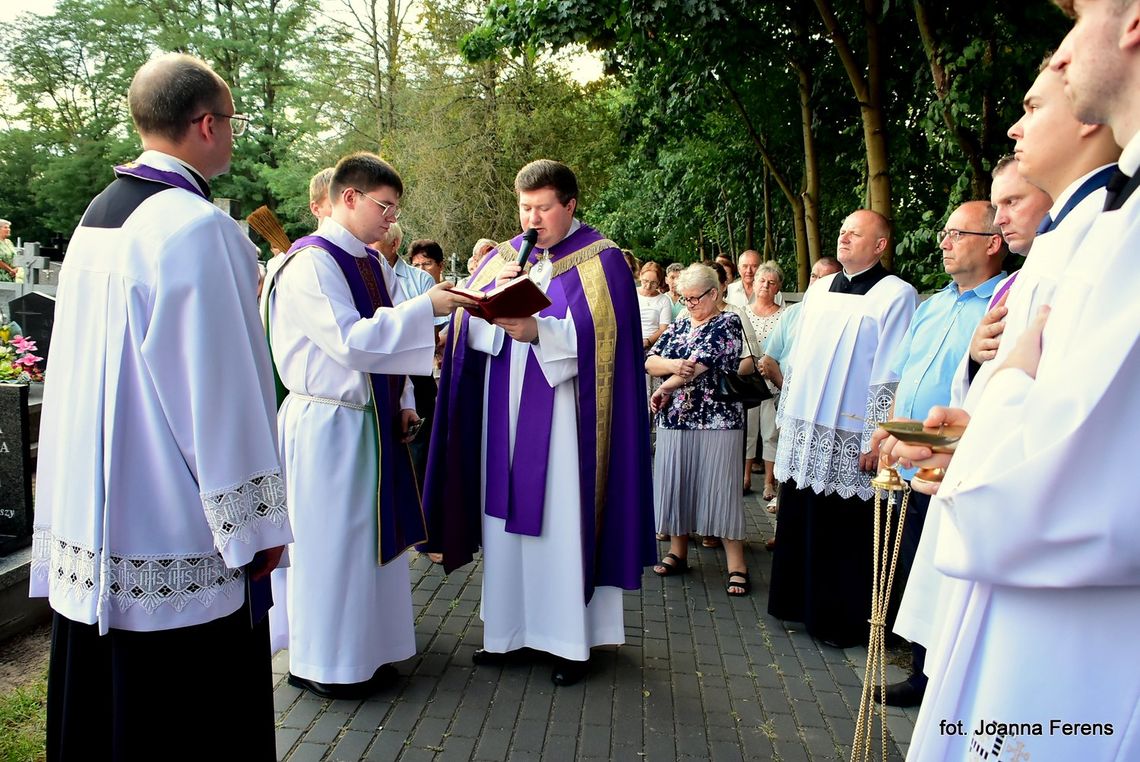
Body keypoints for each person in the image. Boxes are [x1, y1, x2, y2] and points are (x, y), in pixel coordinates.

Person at [890, 7, 1140, 756]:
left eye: (1083, 16)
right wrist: (983, 415)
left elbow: (1052, 487)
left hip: (1078, 635)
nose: (1059, 56)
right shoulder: (1101, 225)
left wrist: (1003, 396)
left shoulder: (1111, 228)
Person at [30, 53, 292, 760]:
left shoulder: (97, 216)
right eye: (231, 121)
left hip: (97, 526)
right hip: (173, 534)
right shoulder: (198, 229)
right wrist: (255, 528)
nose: (233, 136)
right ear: (206, 124)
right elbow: (223, 395)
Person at [423, 159, 655, 686]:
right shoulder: (504, 256)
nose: (532, 220)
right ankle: (509, 634)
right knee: (505, 529)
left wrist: (538, 331)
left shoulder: (604, 260)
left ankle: (570, 642)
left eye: (544, 208)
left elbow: (607, 346)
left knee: (560, 524)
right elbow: (463, 330)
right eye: (525, 208)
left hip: (568, 424)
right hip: (503, 418)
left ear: (570, 206)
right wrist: (486, 305)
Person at [264, 151, 474, 700]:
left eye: (395, 208)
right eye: (384, 206)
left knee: (367, 545)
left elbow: (387, 344)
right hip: (328, 424)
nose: (390, 218)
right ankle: (323, 662)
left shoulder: (368, 261)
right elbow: (352, 340)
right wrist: (425, 306)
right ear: (348, 197)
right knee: (330, 545)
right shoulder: (310, 263)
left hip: (371, 421)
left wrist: (404, 396)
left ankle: (369, 651)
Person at [867, 200, 1006, 709]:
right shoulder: (934, 304)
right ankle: (919, 657)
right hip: (907, 450)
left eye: (956, 234)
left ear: (992, 243)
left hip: (950, 456)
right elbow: (907, 377)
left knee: (940, 562)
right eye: (943, 233)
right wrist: (886, 433)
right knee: (910, 560)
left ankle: (932, 677)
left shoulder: (1002, 306)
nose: (943, 242)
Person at [767, 209, 917, 648]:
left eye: (856, 233)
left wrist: (878, 432)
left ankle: (841, 619)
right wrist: (788, 411)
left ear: (881, 244)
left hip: (852, 433)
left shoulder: (896, 294)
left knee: (845, 529)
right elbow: (797, 356)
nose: (844, 238)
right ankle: (797, 603)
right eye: (841, 231)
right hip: (807, 426)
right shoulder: (820, 289)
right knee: (803, 515)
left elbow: (891, 367)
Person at [648, 263, 751, 596]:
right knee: (677, 483)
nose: (689, 304)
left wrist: (665, 386)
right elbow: (650, 359)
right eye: (684, 298)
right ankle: (677, 552)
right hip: (676, 419)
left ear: (715, 293)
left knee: (721, 489)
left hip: (718, 420)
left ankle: (737, 565)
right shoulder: (680, 323)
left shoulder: (727, 322)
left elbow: (700, 366)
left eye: (694, 298)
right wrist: (674, 367)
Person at [741, 261, 785, 499]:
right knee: (747, 431)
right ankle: (745, 477)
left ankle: (770, 481)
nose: (765, 286)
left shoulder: (784, 315)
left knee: (770, 433)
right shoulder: (742, 312)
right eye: (761, 280)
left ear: (778, 287)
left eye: (771, 282)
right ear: (754, 283)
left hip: (771, 382)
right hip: (749, 382)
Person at [636, 267, 671, 352]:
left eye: (653, 283)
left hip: (651, 344)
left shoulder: (664, 300)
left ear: (659, 282)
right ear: (640, 276)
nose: (648, 286)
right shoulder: (631, 293)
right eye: (645, 281)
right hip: (630, 340)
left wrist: (647, 342)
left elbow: (664, 328)